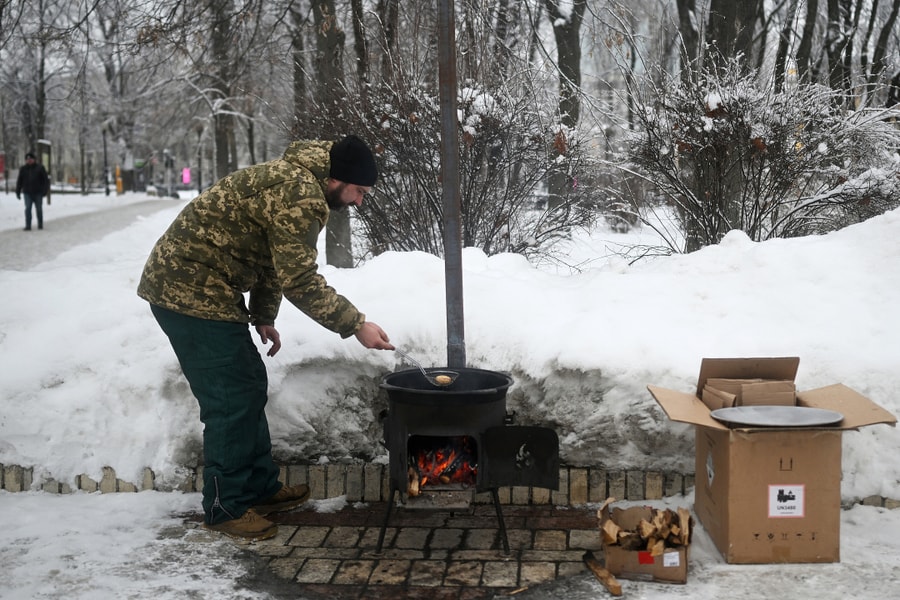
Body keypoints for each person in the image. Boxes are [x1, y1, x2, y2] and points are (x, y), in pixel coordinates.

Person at [137, 135, 395, 541]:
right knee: (229, 399)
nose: (359, 202)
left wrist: (263, 314)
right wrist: (355, 324)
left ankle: (258, 487)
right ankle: (225, 508)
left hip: (204, 286)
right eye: (359, 191)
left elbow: (273, 261)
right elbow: (301, 280)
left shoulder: (297, 181)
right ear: (338, 179)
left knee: (249, 385)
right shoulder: (301, 195)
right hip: (187, 289)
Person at [16, 152, 50, 231]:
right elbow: (19, 181)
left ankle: (40, 224)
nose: (29, 161)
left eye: (30, 159)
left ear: (34, 159)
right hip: (27, 192)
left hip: (38, 192)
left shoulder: (40, 168)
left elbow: (45, 180)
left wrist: (44, 191)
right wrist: (18, 191)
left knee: (39, 209)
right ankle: (28, 225)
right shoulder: (23, 169)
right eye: (27, 159)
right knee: (28, 209)